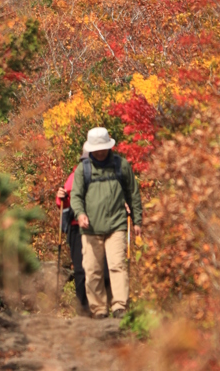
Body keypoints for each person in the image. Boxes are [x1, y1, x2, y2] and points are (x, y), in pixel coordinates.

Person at [70, 126, 142, 319]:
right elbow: (76, 196)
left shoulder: (121, 165)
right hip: (90, 228)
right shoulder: (82, 170)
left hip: (117, 225)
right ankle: (99, 309)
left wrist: (137, 220)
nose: (100, 152)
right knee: (92, 269)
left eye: (103, 148)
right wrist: (80, 214)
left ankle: (119, 306)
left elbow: (133, 193)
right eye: (97, 149)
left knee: (117, 265)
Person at [56, 153, 111, 316]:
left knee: (103, 268)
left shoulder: (106, 175)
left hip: (100, 228)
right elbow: (64, 202)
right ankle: (84, 309)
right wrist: (61, 198)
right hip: (77, 228)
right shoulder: (74, 176)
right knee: (81, 270)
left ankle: (102, 307)